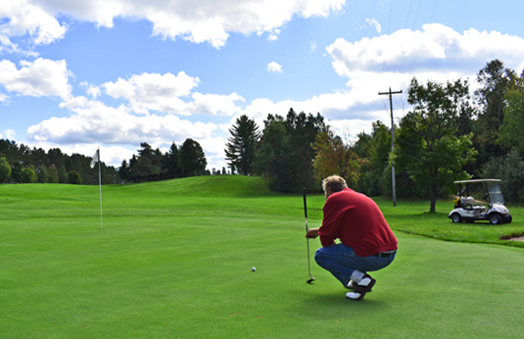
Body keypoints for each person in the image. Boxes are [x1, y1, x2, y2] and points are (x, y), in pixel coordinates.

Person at [305, 175, 398, 300]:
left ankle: (360, 279)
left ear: (329, 191)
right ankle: (358, 284)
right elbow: (349, 227)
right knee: (349, 249)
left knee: (321, 255)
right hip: (390, 254)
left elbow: (326, 240)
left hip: (371, 256)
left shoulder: (333, 199)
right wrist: (319, 231)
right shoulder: (359, 197)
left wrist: (324, 234)